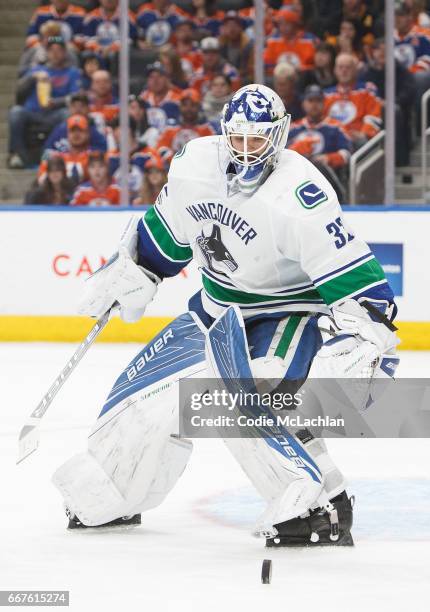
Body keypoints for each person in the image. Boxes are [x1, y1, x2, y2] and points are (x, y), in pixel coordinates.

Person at [53, 84, 398, 550]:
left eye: (257, 140)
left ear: (278, 136)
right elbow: (165, 239)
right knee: (146, 401)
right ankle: (112, 495)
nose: (246, 151)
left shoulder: (302, 193)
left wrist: (365, 333)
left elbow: (357, 278)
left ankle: (319, 505)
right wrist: (132, 272)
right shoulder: (195, 164)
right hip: (215, 308)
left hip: (285, 312)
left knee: (246, 393)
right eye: (237, 139)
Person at [8, 36, 81, 168]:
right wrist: (31, 78)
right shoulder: (36, 69)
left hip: (55, 113)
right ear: (47, 53)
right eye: (51, 50)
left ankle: (53, 155)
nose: (55, 53)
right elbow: (18, 91)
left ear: (65, 53)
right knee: (15, 112)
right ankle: (17, 155)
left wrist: (56, 102)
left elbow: (75, 97)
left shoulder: (72, 72)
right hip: (32, 113)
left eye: (59, 50)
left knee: (67, 114)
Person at [288, 84, 352, 202]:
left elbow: (347, 154)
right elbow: (283, 156)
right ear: (304, 103)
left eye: (318, 101)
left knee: (318, 166)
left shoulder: (336, 127)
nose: (314, 105)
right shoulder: (293, 129)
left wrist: (328, 158)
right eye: (310, 100)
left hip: (329, 180)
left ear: (324, 103)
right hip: (297, 180)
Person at [361, 38, 416, 166]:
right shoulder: (367, 73)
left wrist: (392, 101)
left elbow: (408, 91)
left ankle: (399, 161)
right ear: (372, 52)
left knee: (392, 111)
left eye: (385, 50)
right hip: (372, 111)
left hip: (396, 110)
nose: (381, 53)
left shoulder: (400, 70)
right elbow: (362, 91)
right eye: (377, 49)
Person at [324, 53, 382, 148]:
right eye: (340, 67)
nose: (344, 71)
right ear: (335, 71)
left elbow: (374, 115)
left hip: (357, 139)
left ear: (355, 70)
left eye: (348, 67)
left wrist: (364, 133)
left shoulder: (367, 90)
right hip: (332, 140)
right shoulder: (326, 95)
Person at [156, 88, 214, 162]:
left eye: (192, 105)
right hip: (174, 167)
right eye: (185, 105)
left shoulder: (206, 128)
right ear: (180, 107)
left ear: (198, 107)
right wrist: (176, 160)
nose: (188, 109)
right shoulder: (171, 127)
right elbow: (161, 148)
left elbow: (213, 151)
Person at [38, 114, 92, 184]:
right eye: (72, 131)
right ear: (67, 134)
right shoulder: (54, 157)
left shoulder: (93, 157)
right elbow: (41, 181)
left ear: (87, 134)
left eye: (80, 130)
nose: (76, 134)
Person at [264, 8, 316, 75]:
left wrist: (301, 69)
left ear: (295, 25)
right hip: (277, 78)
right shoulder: (273, 41)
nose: (282, 27)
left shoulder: (308, 40)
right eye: (280, 24)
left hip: (302, 78)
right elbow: (267, 65)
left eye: (286, 24)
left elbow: (314, 66)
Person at [139, 62, 182, 136]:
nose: (155, 80)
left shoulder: (177, 99)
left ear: (167, 79)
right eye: (151, 77)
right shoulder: (142, 98)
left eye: (160, 76)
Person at [218, 11, 253, 83]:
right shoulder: (221, 45)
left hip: (244, 82)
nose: (231, 29)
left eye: (235, 25)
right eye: (228, 25)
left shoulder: (249, 46)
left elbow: (251, 70)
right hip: (224, 82)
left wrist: (237, 73)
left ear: (240, 28)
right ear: (224, 28)